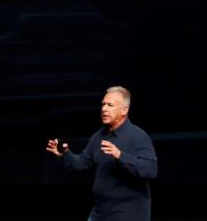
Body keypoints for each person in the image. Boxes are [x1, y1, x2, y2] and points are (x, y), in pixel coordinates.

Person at [46, 86, 158, 221]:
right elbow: (81, 163)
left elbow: (151, 170)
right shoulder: (98, 137)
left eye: (110, 105)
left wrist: (120, 155)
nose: (104, 109)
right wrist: (65, 154)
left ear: (124, 110)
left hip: (128, 214)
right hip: (100, 213)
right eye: (103, 104)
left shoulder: (138, 137)